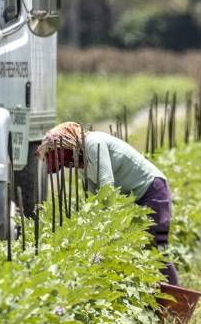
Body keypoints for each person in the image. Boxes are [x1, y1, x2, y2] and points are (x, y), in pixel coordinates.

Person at [40, 122, 180, 285]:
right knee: (138, 250)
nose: (66, 165)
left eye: (63, 158)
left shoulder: (93, 143)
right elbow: (93, 197)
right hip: (135, 199)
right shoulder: (81, 162)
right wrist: (93, 225)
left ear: (69, 144)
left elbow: (106, 184)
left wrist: (108, 224)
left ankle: (178, 300)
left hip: (153, 191)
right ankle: (157, 300)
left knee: (158, 248)